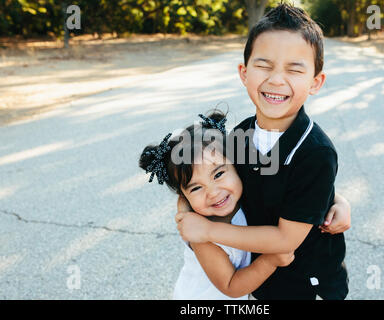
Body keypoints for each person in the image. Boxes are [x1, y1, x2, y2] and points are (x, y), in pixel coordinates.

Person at [175, 3, 351, 300]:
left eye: (295, 69)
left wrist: (206, 231)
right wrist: (183, 210)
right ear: (244, 73)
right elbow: (200, 178)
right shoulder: (239, 136)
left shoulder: (315, 153)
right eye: (264, 65)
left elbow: (285, 239)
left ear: (315, 82)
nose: (276, 79)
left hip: (305, 282)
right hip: (258, 277)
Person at [139, 111, 296, 299]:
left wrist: (337, 202)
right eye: (196, 188)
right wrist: (271, 260)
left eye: (218, 174)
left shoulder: (243, 193)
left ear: (237, 166)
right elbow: (231, 286)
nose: (213, 193)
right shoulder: (200, 235)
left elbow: (296, 189)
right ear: (184, 195)